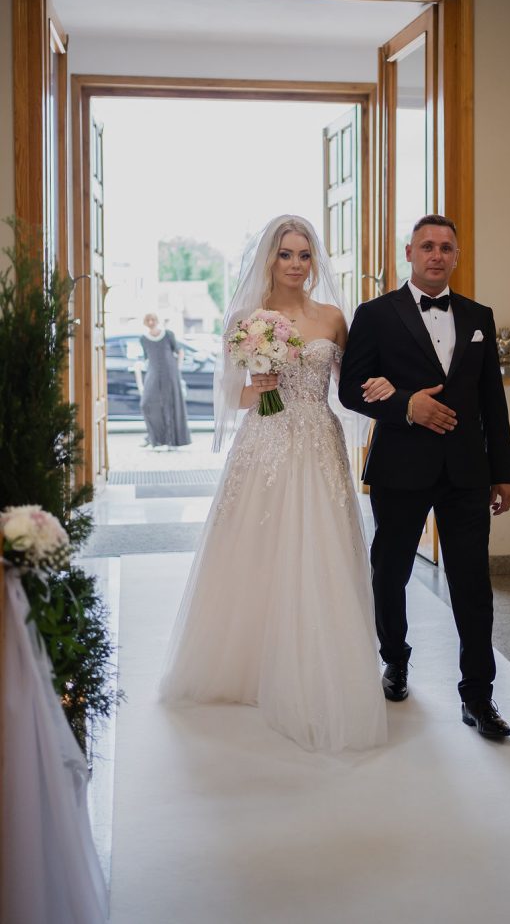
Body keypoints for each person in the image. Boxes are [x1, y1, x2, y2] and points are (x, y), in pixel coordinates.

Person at [159, 216, 387, 752]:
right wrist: (257, 385)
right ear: (270, 258)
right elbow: (230, 397)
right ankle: (251, 663)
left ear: (315, 262)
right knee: (257, 547)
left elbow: (346, 386)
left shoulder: (333, 317)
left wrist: (384, 387)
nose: (295, 265)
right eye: (286, 254)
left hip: (319, 438)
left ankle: (315, 661)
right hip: (265, 439)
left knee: (320, 547)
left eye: (304, 255)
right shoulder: (247, 318)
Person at [338, 214, 510, 739]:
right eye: (427, 246)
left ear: (456, 256)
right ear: (410, 254)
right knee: (389, 572)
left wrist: (502, 471)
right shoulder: (374, 314)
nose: (437, 255)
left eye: (446, 247)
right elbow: (351, 389)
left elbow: (493, 404)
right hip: (400, 467)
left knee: (473, 586)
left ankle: (478, 697)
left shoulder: (478, 315)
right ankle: (395, 657)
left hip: (466, 473)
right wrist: (406, 406)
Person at [134, 313, 191, 450]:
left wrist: (177, 370)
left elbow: (179, 351)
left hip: (170, 373)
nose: (151, 322)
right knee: (146, 403)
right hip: (153, 372)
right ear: (145, 322)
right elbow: (145, 358)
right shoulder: (143, 339)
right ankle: (154, 437)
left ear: (157, 320)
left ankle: (173, 442)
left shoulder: (168, 334)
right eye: (148, 320)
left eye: (153, 319)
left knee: (170, 405)